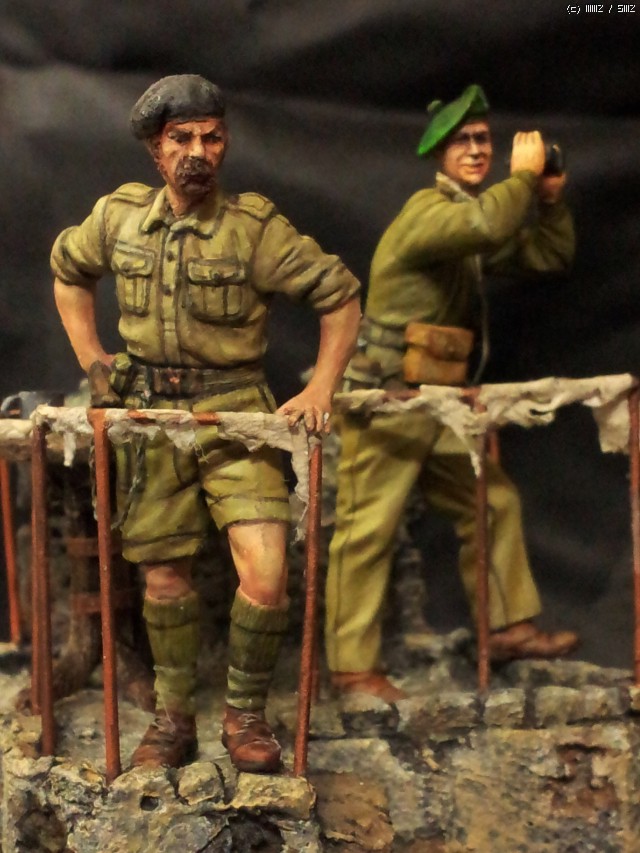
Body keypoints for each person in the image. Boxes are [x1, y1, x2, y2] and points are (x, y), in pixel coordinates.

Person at [52, 74, 360, 772]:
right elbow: (68, 270)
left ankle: (245, 715)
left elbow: (340, 296)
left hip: (237, 417)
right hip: (153, 422)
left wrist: (321, 386)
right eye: (181, 138)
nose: (198, 152)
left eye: (211, 137)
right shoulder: (118, 219)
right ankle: (173, 718)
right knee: (163, 579)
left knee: (267, 571)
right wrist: (94, 360)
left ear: (225, 144)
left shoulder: (253, 230)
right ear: (156, 150)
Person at [325, 84, 578, 703]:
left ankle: (508, 627)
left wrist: (547, 201)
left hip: (437, 400)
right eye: (462, 140)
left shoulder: (467, 222)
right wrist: (522, 180)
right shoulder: (430, 213)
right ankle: (351, 668)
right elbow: (489, 223)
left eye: (483, 139)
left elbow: (547, 256)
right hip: (388, 398)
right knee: (367, 527)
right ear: (439, 154)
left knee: (491, 501)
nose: (476, 149)